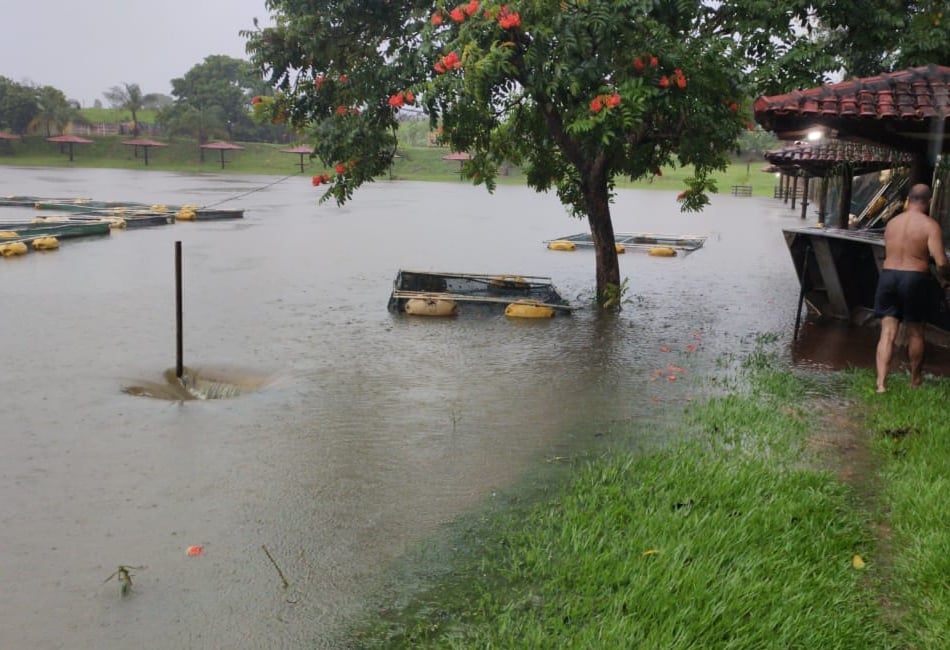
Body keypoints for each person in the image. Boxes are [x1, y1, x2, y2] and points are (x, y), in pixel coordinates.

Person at [874, 183, 950, 392]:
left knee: (887, 332)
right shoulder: (930, 226)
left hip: (888, 276)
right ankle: (915, 381)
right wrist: (946, 279)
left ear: (909, 199)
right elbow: (941, 262)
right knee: (916, 332)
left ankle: (881, 384)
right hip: (914, 278)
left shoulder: (892, 223)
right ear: (929, 201)